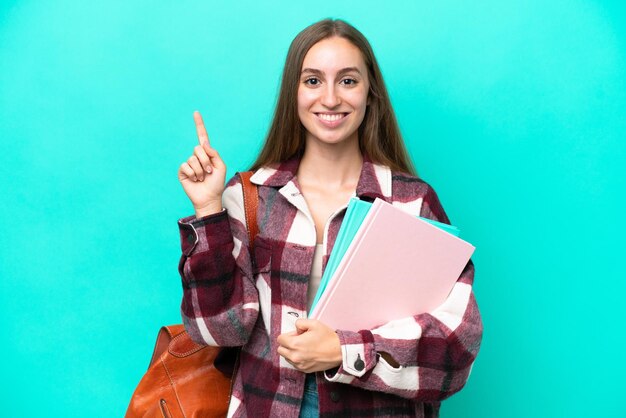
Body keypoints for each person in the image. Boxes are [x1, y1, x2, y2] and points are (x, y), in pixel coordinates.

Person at [177, 18, 482, 418]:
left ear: (371, 93)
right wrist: (208, 210)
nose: (331, 98)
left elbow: (457, 348)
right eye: (313, 81)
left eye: (348, 81)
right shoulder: (249, 196)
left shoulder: (411, 201)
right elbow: (221, 330)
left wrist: (343, 350)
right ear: (294, 92)